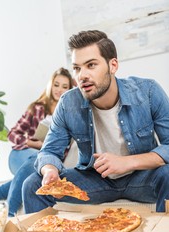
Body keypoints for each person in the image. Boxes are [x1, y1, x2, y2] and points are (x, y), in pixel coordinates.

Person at [22, 30, 169, 214]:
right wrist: (49, 170)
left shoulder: (148, 92)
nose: (82, 75)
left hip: (142, 177)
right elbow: (50, 150)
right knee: (32, 184)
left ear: (113, 65)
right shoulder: (68, 103)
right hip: (95, 179)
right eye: (77, 68)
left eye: (91, 65)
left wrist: (127, 162)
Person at [0, 67, 73, 216]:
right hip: (22, 154)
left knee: (34, 171)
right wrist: (32, 143)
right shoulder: (37, 108)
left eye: (65, 86)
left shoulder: (68, 114)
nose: (59, 90)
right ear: (50, 85)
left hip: (44, 161)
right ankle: (10, 214)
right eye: (56, 85)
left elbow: (65, 148)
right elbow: (12, 134)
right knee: (37, 157)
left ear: (70, 89)